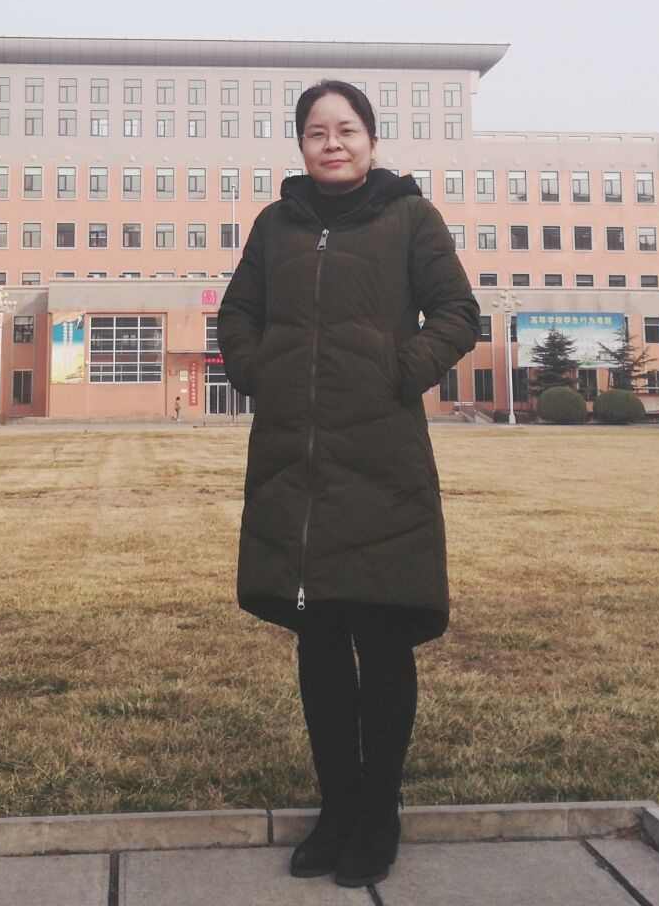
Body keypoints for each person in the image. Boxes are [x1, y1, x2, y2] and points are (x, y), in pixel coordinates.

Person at [218, 79, 479, 888]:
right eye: (316, 132)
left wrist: (399, 372)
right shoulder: (276, 225)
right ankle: (336, 812)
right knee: (322, 643)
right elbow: (237, 315)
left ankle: (379, 814)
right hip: (298, 465)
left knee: (384, 637)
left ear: (371, 138)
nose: (331, 143)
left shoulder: (410, 217)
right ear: (300, 144)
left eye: (346, 129)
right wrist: (259, 371)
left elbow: (457, 313)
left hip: (382, 458)